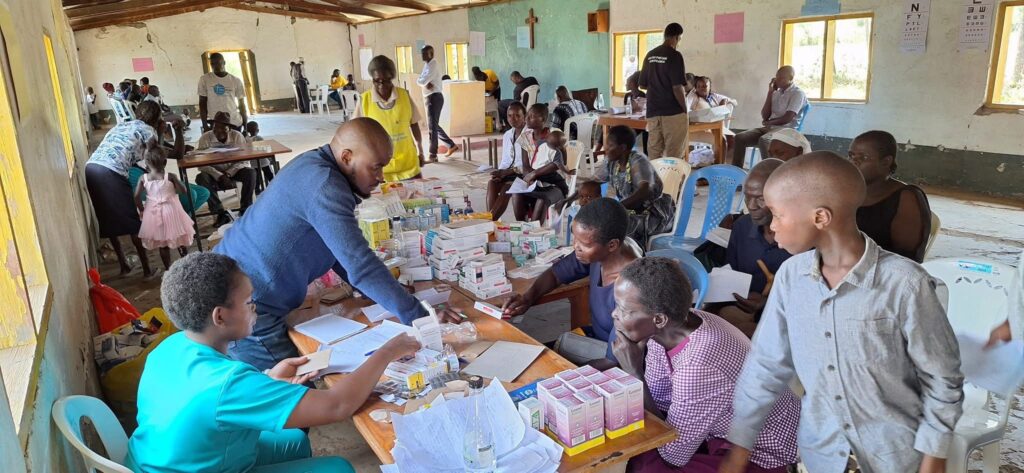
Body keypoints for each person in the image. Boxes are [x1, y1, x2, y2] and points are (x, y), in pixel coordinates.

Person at [720, 152, 963, 473]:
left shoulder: (905, 284)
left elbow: (942, 377)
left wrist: (934, 456)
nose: (773, 226)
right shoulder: (792, 278)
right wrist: (740, 445)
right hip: (821, 453)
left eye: (778, 214)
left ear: (820, 218)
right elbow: (765, 365)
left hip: (894, 456)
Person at [125, 252, 420, 472]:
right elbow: (337, 406)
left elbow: (215, 400)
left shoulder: (170, 346)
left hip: (158, 459)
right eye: (249, 303)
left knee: (295, 440)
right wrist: (388, 350)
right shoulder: (229, 384)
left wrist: (268, 378)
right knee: (338, 468)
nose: (255, 309)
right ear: (220, 316)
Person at [214, 118, 460, 370]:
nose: (381, 177)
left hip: (242, 286)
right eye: (375, 168)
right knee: (294, 390)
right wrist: (420, 318)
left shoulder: (317, 165)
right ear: (346, 157)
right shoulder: (325, 185)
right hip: (245, 305)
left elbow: (339, 251)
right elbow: (360, 265)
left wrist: (381, 293)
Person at [610, 257, 800, 473]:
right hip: (721, 431)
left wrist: (634, 371)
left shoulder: (699, 365)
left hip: (762, 450)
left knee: (646, 467)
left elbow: (673, 456)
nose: (614, 314)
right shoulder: (670, 330)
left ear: (659, 319)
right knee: (636, 449)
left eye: (624, 310)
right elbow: (660, 401)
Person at [503, 198, 638, 361]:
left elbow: (615, 360)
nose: (576, 247)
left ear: (612, 245)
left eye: (585, 244)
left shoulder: (632, 286)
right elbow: (556, 274)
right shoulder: (601, 253)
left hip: (620, 361)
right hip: (596, 342)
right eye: (575, 238)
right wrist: (527, 298)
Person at [85, 100, 184, 277]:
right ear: (157, 118)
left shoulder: (121, 126)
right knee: (133, 222)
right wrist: (160, 132)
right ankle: (147, 270)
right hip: (112, 172)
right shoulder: (149, 131)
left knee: (107, 219)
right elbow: (158, 158)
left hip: (92, 167)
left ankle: (124, 265)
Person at [712, 159, 791, 338]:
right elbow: (731, 275)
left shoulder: (802, 240)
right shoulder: (742, 226)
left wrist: (765, 304)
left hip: (785, 318)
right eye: (747, 196)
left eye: (761, 199)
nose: (752, 206)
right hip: (743, 310)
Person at [849, 130, 932, 263]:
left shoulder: (906, 198)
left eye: (863, 157)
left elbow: (906, 258)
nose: (853, 162)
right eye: (851, 156)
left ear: (886, 162)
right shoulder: (848, 190)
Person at [596, 125, 675, 248]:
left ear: (622, 148)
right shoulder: (611, 161)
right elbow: (594, 181)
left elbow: (645, 190)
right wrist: (569, 198)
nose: (606, 149)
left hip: (654, 214)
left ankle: (632, 258)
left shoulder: (638, 160)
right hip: (631, 211)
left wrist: (618, 207)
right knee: (600, 223)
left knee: (613, 228)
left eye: (610, 145)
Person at [354, 55, 426, 181]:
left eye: (386, 80)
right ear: (372, 79)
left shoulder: (404, 96)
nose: (381, 84)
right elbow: (356, 133)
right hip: (380, 170)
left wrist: (421, 151)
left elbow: (414, 124)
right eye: (377, 81)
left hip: (408, 166)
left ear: (392, 78)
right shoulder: (364, 100)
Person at [731, 65, 807, 167]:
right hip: (771, 128)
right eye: (777, 77)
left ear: (791, 78)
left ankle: (770, 172)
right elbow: (765, 116)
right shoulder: (776, 93)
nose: (777, 80)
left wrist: (769, 122)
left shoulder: (798, 93)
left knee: (764, 140)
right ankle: (736, 170)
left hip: (787, 129)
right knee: (740, 137)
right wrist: (770, 92)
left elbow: (788, 118)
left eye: (781, 78)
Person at [134, 147, 194, 271]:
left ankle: (168, 269)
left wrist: (141, 210)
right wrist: (176, 183)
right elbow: (183, 190)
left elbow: (136, 196)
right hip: (172, 211)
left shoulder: (143, 178)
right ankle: (186, 265)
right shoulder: (170, 176)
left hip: (153, 214)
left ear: (146, 164)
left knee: (163, 244)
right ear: (165, 162)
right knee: (180, 238)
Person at [196, 112, 257, 226]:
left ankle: (245, 210)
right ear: (212, 127)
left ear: (229, 128)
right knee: (201, 178)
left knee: (251, 173)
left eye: (223, 129)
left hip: (235, 170)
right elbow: (201, 164)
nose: (219, 132)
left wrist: (228, 174)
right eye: (215, 128)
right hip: (214, 173)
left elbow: (244, 160)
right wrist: (219, 175)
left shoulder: (237, 136)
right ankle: (219, 213)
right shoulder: (205, 138)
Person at [639, 23, 689, 160]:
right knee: (675, 155)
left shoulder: (650, 55)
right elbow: (677, 87)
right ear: (677, 37)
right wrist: (685, 109)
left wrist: (657, 86)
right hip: (672, 112)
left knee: (654, 152)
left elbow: (642, 85)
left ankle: (655, 180)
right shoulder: (675, 56)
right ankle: (673, 181)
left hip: (653, 111)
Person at [512, 105, 568, 224]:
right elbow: (525, 164)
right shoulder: (525, 137)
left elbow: (558, 163)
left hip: (554, 183)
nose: (527, 118)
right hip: (534, 181)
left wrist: (535, 173)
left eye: (532, 116)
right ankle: (523, 228)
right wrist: (529, 177)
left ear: (543, 119)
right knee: (516, 193)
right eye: (527, 115)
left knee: (542, 198)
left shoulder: (555, 135)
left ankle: (534, 231)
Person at [416, 45, 459, 161]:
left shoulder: (433, 65)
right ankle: (451, 145)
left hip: (433, 97)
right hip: (431, 97)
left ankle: (432, 154)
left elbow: (422, 80)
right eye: (422, 53)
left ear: (431, 53)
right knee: (434, 125)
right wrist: (422, 81)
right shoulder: (427, 65)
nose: (422, 56)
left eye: (425, 53)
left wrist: (423, 82)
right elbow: (420, 80)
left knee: (432, 128)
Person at [487, 101, 527, 220]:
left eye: (517, 115)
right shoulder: (507, 135)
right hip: (509, 173)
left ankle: (489, 221)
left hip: (524, 174)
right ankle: (492, 219)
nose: (512, 119)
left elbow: (528, 164)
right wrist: (500, 173)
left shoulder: (529, 134)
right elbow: (505, 160)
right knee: (492, 183)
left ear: (524, 116)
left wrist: (508, 172)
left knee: (507, 188)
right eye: (509, 115)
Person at [200, 52, 248, 132]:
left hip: (234, 122)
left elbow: (242, 105)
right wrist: (205, 125)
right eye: (212, 64)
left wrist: (245, 127)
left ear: (224, 63)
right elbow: (202, 104)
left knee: (236, 144)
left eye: (218, 63)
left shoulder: (235, 80)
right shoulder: (205, 79)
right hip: (215, 124)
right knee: (217, 144)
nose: (215, 66)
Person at [246, 120, 274, 187]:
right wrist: (270, 158)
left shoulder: (246, 139)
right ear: (258, 130)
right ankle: (274, 185)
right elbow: (264, 149)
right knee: (269, 175)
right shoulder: (259, 138)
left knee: (257, 177)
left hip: (253, 163)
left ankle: (257, 189)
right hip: (263, 161)